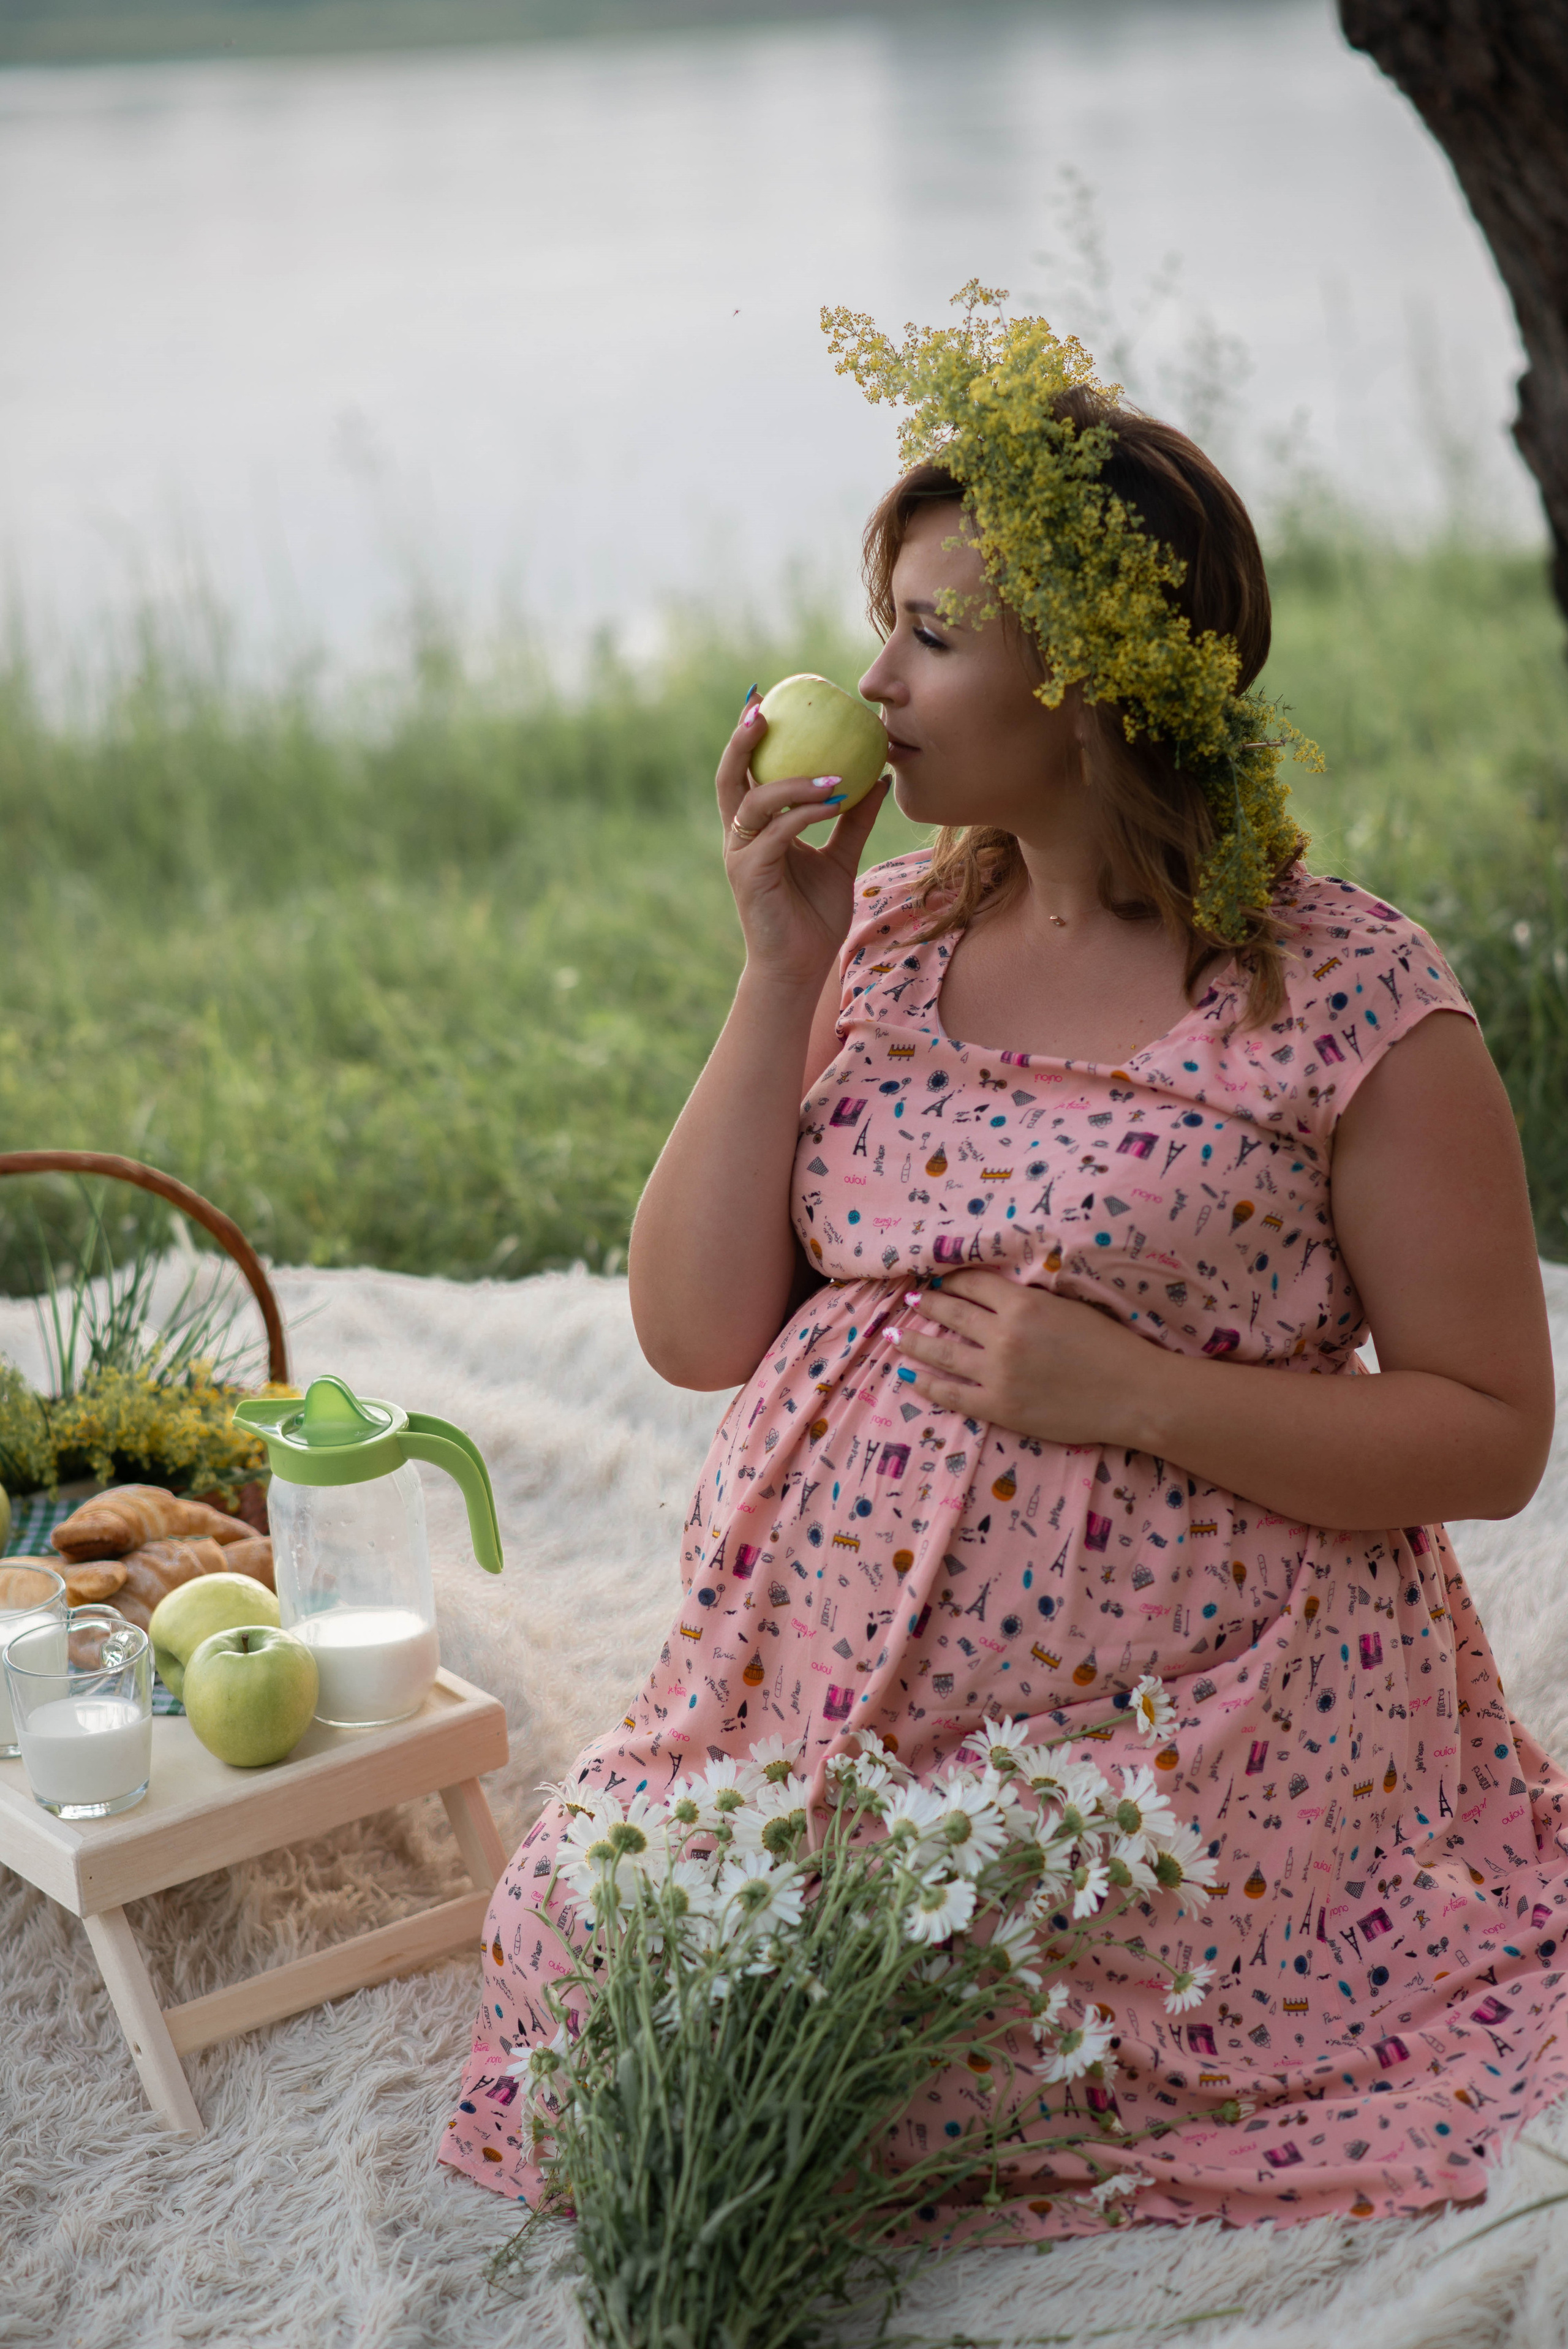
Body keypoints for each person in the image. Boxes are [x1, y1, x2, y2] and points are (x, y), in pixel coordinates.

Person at [440, 314, 1564, 2236]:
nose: (869, 682)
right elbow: (699, 1329)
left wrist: (1128, 1393)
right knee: (588, 1940)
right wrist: (777, 961)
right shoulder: (874, 939)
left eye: (934, 637)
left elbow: (1493, 1433)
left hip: (1203, 1730)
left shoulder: (1346, 993)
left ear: (1102, 682)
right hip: (805, 1699)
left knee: (948, 2026)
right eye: (880, 619)